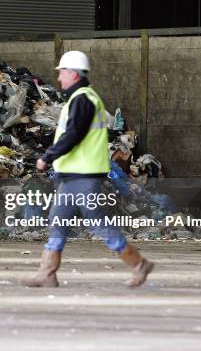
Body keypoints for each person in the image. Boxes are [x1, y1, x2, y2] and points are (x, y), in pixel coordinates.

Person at [25, 51, 154, 288]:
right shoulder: (81, 99)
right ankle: (47, 272)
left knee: (96, 220)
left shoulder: (83, 99)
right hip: (72, 175)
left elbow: (73, 134)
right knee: (58, 219)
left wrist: (48, 156)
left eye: (62, 72)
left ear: (73, 73)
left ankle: (138, 263)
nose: (60, 78)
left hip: (84, 176)